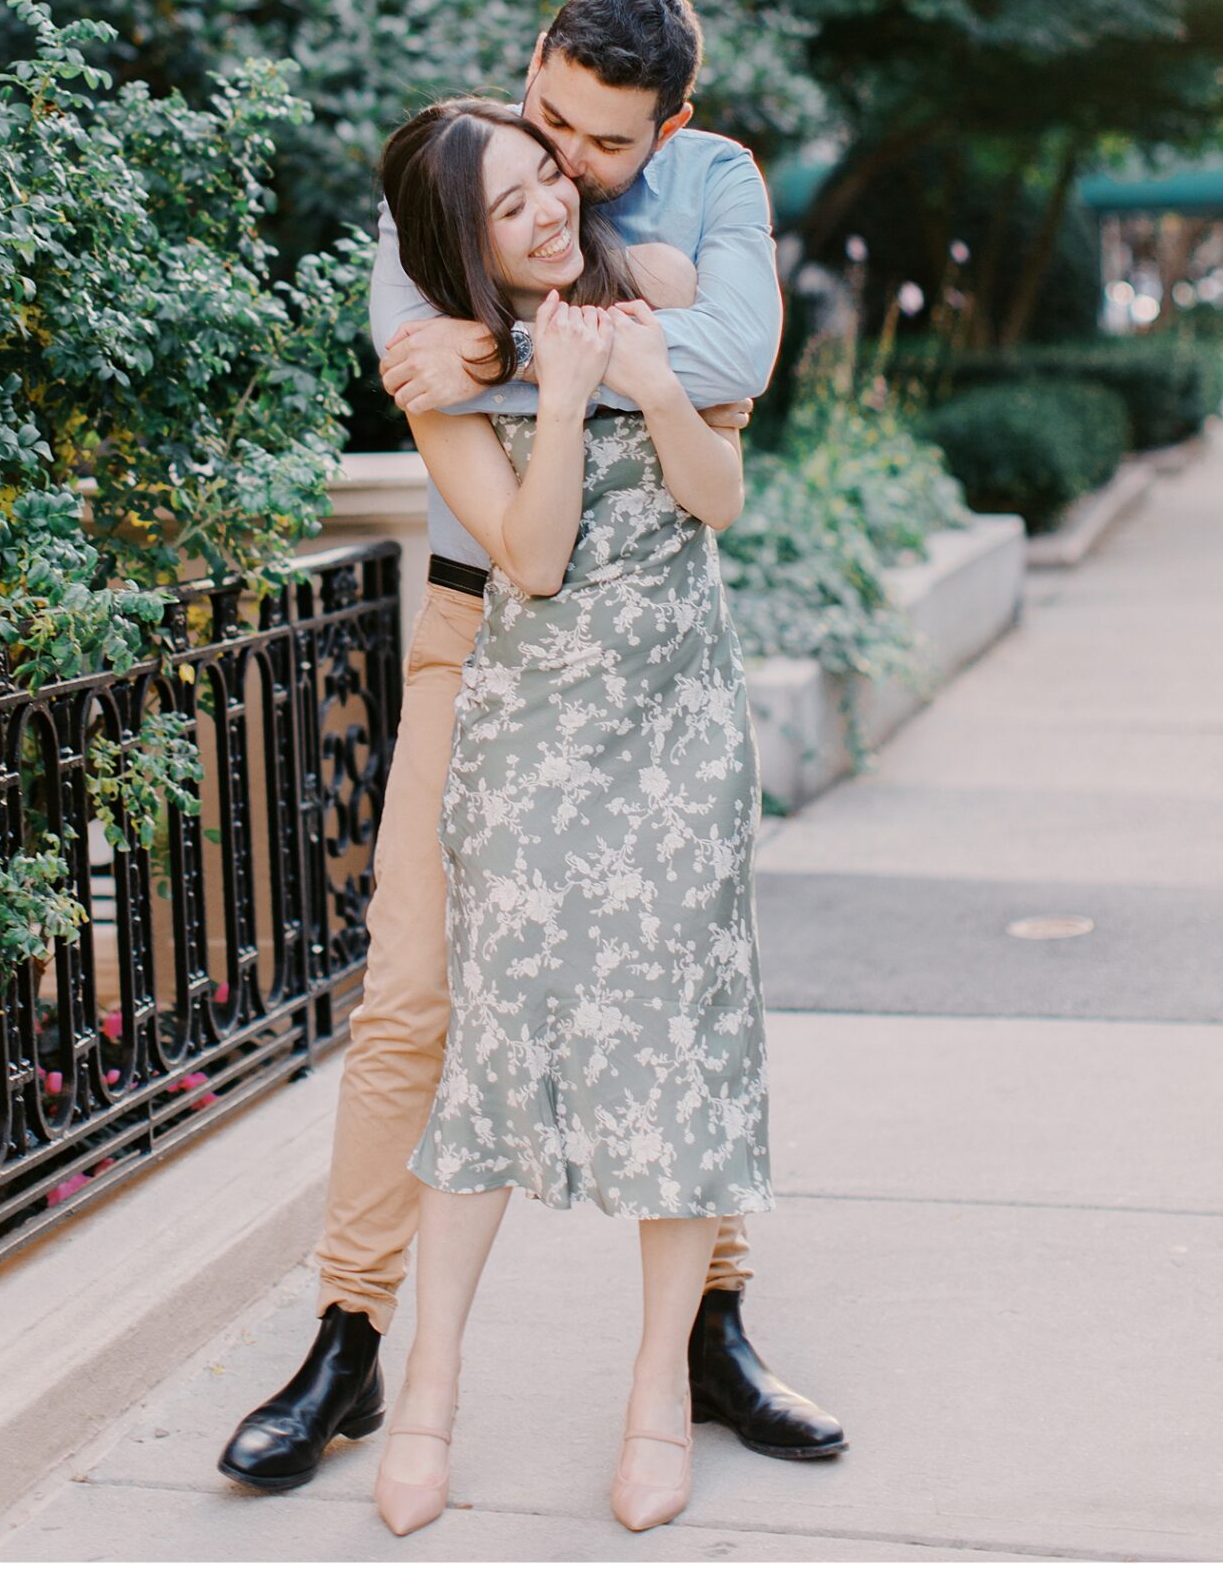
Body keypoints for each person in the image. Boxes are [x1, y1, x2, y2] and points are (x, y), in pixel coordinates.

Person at [217, 0, 844, 1500]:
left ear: (668, 124)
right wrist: (596, 341)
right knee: (414, 998)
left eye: (594, 143)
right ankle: (350, 1342)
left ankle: (706, 1331)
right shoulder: (451, 169)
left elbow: (735, 367)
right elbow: (405, 349)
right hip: (475, 629)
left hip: (643, 656)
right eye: (542, 114)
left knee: (679, 987)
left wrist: (506, 353)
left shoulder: (711, 178)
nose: (558, 162)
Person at [370, 94, 776, 1536]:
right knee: (492, 1057)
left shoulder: (651, 288)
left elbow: (717, 498)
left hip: (675, 732)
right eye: (512, 203)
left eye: (552, 177)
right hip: (536, 739)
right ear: (460, 245)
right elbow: (529, 561)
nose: (550, 207)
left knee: (679, 1046)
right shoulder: (441, 378)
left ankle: (657, 1397)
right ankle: (424, 1398)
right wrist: (544, 392)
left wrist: (654, 384)